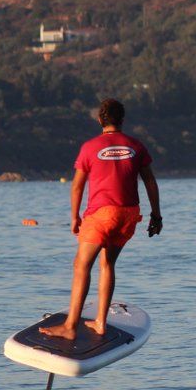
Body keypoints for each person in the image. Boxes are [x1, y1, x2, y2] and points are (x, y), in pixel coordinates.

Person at [40, 98, 161, 342]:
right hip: (128, 214)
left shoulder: (90, 147)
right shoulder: (136, 145)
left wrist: (74, 217)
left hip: (101, 214)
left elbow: (77, 186)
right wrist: (156, 215)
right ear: (122, 120)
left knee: (81, 266)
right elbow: (150, 181)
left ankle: (71, 326)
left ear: (100, 120)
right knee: (107, 264)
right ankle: (100, 322)